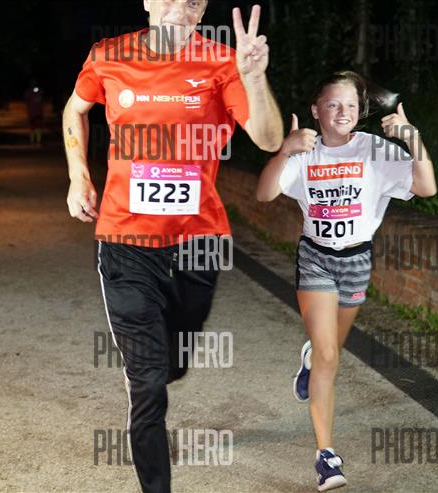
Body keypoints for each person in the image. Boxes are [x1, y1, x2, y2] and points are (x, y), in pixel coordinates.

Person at [62, 2, 283, 492]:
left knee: (172, 364)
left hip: (198, 241)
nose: (178, 9)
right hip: (125, 238)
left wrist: (253, 77)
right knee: (147, 380)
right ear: (147, 1)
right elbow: (75, 108)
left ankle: (157, 365)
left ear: (202, 11)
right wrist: (79, 174)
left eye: (192, 1)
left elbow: (269, 139)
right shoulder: (108, 55)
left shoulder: (222, 62)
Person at [256, 70, 437, 491]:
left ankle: (310, 359)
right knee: (329, 357)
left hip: (356, 260)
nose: (343, 112)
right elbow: (264, 193)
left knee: (329, 351)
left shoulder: (374, 149)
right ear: (316, 110)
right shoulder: (305, 151)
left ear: (360, 111)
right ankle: (326, 456)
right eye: (333, 104)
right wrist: (284, 150)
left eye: (352, 105)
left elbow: (426, 187)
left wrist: (412, 138)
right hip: (316, 260)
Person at [24, 78, 44, 146]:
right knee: (32, 127)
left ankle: (38, 140)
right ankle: (32, 140)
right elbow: (26, 99)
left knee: (38, 127)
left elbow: (41, 98)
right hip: (32, 112)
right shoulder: (29, 91)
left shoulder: (39, 91)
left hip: (38, 112)